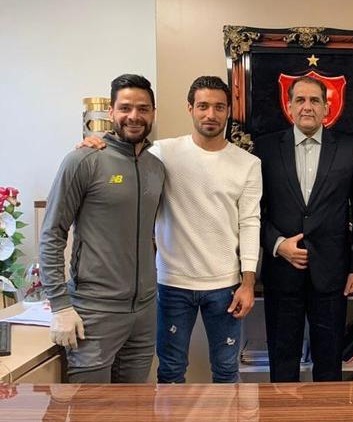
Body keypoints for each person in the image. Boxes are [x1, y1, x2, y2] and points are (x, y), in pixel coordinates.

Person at [80, 76, 261, 383]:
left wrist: (248, 282)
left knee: (227, 371)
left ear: (228, 111)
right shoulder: (161, 152)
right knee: (171, 370)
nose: (210, 114)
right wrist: (94, 143)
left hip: (226, 285)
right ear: (190, 108)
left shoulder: (248, 163)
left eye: (219, 107)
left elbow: (250, 223)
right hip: (171, 283)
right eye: (203, 106)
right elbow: (123, 152)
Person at [40, 74, 165, 383]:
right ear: (111, 112)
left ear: (153, 113)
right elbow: (52, 234)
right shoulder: (83, 160)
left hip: (144, 312)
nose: (134, 116)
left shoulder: (156, 167)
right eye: (125, 108)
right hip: (94, 312)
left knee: (135, 405)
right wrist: (60, 305)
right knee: (91, 405)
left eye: (143, 108)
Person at [253, 76, 353, 382]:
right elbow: (252, 213)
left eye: (315, 100)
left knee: (329, 363)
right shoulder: (265, 149)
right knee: (282, 360)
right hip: (282, 273)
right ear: (289, 106)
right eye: (300, 100)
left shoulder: (349, 150)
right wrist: (277, 244)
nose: (307, 107)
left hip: (332, 274)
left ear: (326, 108)